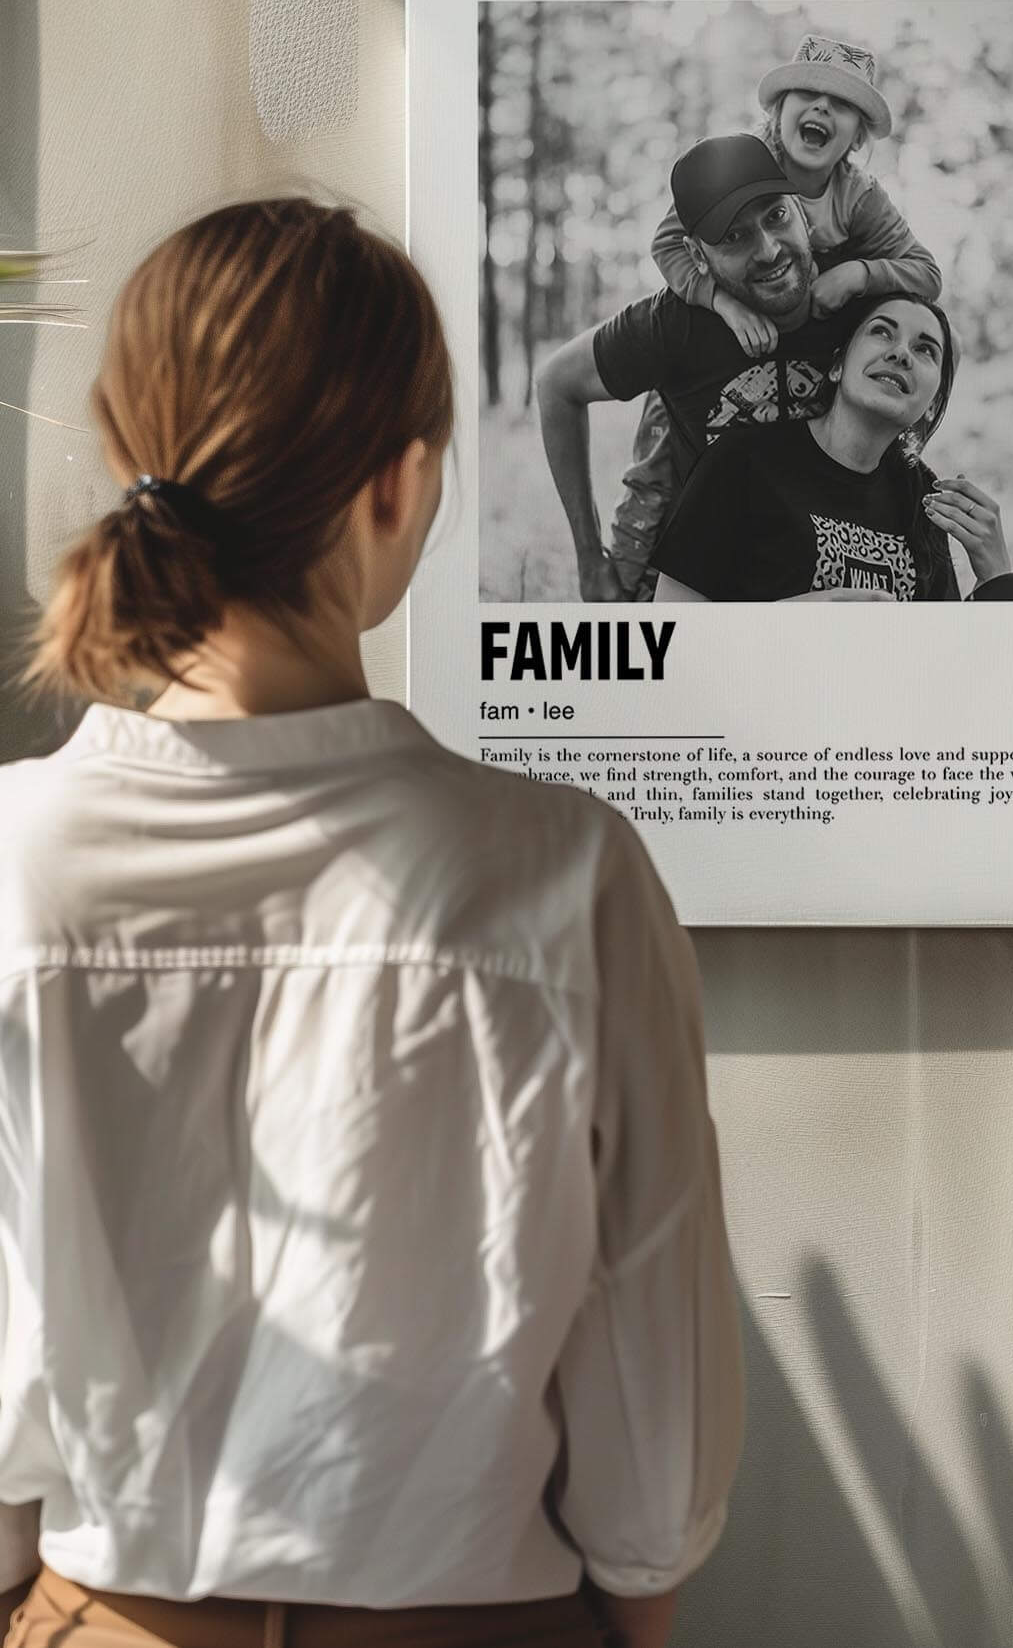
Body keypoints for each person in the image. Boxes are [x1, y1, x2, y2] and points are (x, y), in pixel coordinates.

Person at [0, 193, 742, 1648]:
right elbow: (655, 1397)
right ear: (399, 486)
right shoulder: (567, 870)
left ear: (125, 458)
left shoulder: (8, 862)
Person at [613, 37, 943, 591]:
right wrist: (719, 301)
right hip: (716, 340)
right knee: (659, 468)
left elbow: (925, 273)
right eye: (807, 94)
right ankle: (622, 587)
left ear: (856, 136)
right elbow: (669, 245)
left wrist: (858, 274)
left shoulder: (857, 195)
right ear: (778, 111)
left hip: (797, 348)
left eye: (840, 104)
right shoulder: (740, 165)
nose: (820, 108)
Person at [536, 133, 855, 600]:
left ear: (802, 209)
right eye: (734, 237)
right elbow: (556, 383)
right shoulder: (677, 322)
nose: (768, 250)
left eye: (776, 216)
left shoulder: (858, 303)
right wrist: (588, 557)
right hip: (701, 593)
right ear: (697, 256)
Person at [651, 293, 1013, 603]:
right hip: (762, 688)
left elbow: (945, 658)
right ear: (837, 365)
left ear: (931, 402)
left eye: (925, 349)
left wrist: (995, 579)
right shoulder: (741, 462)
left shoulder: (924, 501)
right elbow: (675, 628)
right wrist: (780, 622)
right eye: (882, 332)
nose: (901, 354)